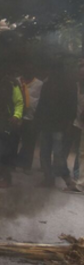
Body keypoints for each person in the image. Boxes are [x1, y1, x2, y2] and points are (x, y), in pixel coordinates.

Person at [35, 62, 78, 191]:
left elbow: (72, 106)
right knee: (45, 153)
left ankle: (66, 178)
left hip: (59, 126)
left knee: (58, 154)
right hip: (47, 124)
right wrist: (38, 121)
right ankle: (49, 179)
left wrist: (69, 123)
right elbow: (41, 104)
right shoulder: (47, 85)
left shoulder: (68, 86)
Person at [15, 69, 43, 173]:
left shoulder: (40, 84)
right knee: (13, 141)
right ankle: (11, 164)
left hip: (31, 118)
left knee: (29, 143)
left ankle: (26, 166)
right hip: (16, 116)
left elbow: (41, 100)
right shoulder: (16, 81)